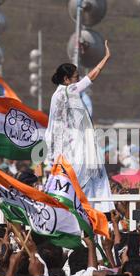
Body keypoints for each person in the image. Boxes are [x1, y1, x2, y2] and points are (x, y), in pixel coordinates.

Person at [45, 40, 114, 212]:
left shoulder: (58, 95)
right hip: (73, 148)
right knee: (83, 182)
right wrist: (106, 58)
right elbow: (91, 77)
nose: (78, 80)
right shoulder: (68, 91)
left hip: (64, 149)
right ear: (66, 79)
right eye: (76, 77)